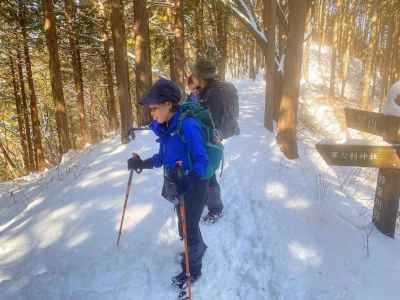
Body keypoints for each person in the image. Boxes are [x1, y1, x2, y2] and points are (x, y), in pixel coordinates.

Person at [127, 78, 208, 288]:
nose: (151, 114)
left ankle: (193, 270)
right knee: (183, 226)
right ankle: (194, 249)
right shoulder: (165, 128)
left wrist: (190, 179)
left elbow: (202, 159)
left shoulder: (188, 126)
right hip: (176, 181)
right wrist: (142, 163)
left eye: (154, 108)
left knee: (189, 227)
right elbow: (163, 157)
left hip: (195, 183)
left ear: (168, 104)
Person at [189, 58, 240, 223]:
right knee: (206, 173)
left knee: (208, 174)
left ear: (200, 76)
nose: (191, 76)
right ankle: (208, 201)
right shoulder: (213, 88)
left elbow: (208, 121)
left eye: (194, 74)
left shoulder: (212, 94)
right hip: (211, 137)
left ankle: (216, 209)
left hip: (210, 140)